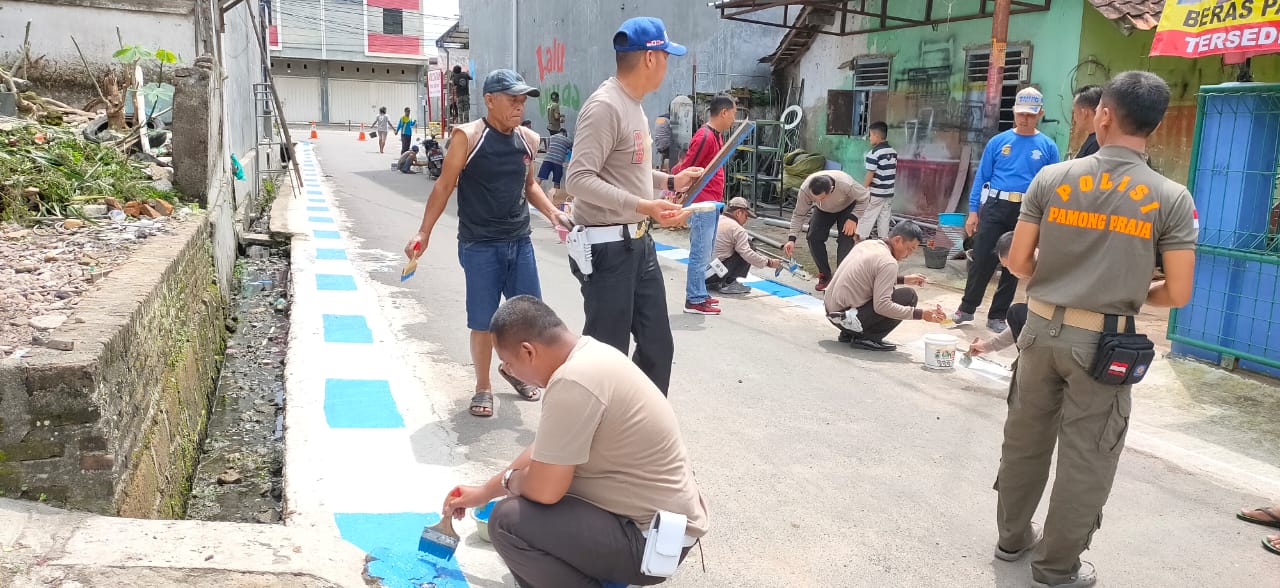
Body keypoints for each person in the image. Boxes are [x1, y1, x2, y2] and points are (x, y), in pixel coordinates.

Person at [993, 71, 1197, 588]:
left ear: (1103, 114)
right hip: (1105, 344)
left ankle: (1012, 539)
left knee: (1026, 439)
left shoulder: (1052, 179)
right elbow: (1178, 292)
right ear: (1155, 122)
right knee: (1087, 456)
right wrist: (1128, 292)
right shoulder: (1170, 197)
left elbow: (1018, 262)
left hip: (1038, 330)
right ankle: (1056, 569)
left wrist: (1060, 281)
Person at [441, 296, 709, 586]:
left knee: (509, 521)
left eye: (507, 364)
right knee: (530, 496)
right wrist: (484, 492)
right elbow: (544, 450)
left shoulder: (573, 381)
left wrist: (511, 482)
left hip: (648, 543)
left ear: (528, 351)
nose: (510, 373)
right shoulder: (589, 354)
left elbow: (545, 490)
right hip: (662, 529)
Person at [403, 69, 569, 418]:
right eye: (512, 99)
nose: (519, 107)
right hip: (480, 245)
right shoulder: (468, 136)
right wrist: (424, 233)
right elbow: (444, 186)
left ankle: (513, 369)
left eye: (523, 101)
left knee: (530, 320)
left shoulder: (528, 140)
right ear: (490, 100)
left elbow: (530, 186)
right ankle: (483, 386)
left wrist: (553, 213)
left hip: (519, 242)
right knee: (483, 320)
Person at [564, 17, 703, 396]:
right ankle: (589, 443)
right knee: (605, 358)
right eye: (666, 56)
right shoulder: (605, 106)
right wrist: (645, 204)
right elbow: (577, 179)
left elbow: (629, 167)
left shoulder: (635, 107)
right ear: (649, 58)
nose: (667, 64)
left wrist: (670, 181)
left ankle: (636, 433)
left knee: (658, 348)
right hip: (607, 249)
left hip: (639, 245)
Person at [955, 87, 1060, 333]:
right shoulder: (998, 142)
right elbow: (982, 177)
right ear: (1014, 112)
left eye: (1031, 115)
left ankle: (998, 315)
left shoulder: (1048, 147)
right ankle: (967, 308)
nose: (1025, 119)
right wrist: (973, 211)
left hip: (1028, 210)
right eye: (1021, 113)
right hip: (995, 205)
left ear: (1040, 114)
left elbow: (1053, 185)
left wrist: (1048, 219)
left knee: (1015, 262)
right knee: (982, 257)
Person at [823, 220, 944, 351]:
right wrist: (921, 314)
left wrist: (904, 279)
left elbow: (869, 277)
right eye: (910, 249)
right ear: (897, 240)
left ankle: (848, 333)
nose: (909, 255)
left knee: (891, 292)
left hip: (832, 313)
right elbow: (882, 306)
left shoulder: (868, 244)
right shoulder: (888, 262)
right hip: (849, 318)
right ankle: (868, 338)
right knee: (909, 296)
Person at [672, 94, 736, 315]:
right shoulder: (705, 137)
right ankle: (694, 299)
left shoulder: (716, 136)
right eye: (733, 114)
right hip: (701, 203)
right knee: (699, 252)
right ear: (724, 112)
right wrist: (678, 195)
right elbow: (687, 167)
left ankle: (700, 293)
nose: (733, 120)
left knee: (705, 251)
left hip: (712, 202)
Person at [781, 170, 871, 292]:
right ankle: (825, 275)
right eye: (815, 198)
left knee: (846, 239)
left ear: (831, 189)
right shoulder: (805, 189)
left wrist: (854, 217)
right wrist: (792, 239)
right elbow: (799, 214)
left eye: (822, 197)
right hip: (822, 210)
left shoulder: (845, 183)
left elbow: (865, 197)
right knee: (813, 237)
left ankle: (842, 278)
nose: (819, 199)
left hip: (847, 207)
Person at [968, 232, 1028, 356]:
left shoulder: (1042, 276)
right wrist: (987, 346)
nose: (1010, 272)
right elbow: (1021, 323)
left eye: (1009, 266)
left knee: (1016, 312)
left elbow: (1030, 321)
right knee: (1018, 313)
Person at [706, 196, 781, 294]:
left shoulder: (716, 219)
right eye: (746, 216)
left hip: (702, 273)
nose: (746, 220)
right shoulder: (737, 229)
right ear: (738, 213)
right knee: (749, 247)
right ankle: (730, 283)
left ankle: (715, 282)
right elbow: (747, 253)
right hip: (715, 273)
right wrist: (769, 262)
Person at [857, 121, 898, 241]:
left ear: (876, 136)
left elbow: (870, 173)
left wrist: (863, 189)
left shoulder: (873, 153)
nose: (869, 138)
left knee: (867, 217)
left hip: (875, 193)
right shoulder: (893, 152)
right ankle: (883, 242)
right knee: (884, 218)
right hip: (888, 193)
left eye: (870, 135)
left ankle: (859, 241)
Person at [539, 129, 573, 207]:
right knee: (556, 182)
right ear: (565, 134)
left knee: (540, 178)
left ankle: (531, 195)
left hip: (547, 159)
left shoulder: (552, 137)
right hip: (558, 162)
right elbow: (572, 149)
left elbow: (548, 147)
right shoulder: (568, 141)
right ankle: (555, 201)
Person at [1072, 85, 1102, 159]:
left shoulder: (1096, 143)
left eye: (1075, 112)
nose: (1074, 118)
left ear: (1084, 113)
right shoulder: (1095, 139)